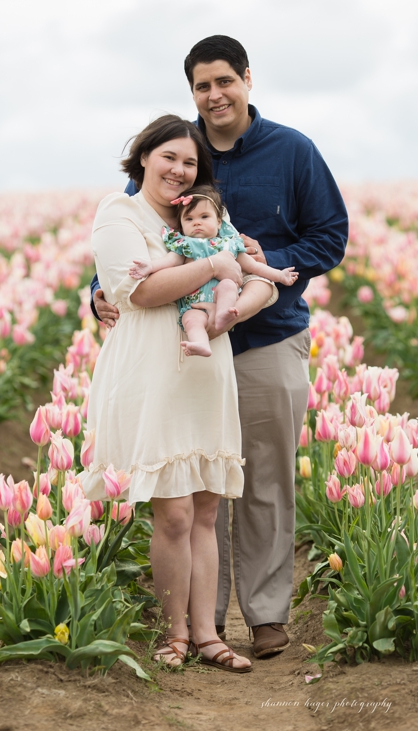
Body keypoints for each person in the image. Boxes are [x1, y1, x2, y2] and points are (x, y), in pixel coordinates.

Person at [91, 35, 348, 658]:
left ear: (247, 79)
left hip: (267, 335)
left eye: (224, 81)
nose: (214, 95)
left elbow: (330, 237)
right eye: (202, 86)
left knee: (261, 479)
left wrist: (263, 265)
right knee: (200, 489)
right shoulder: (186, 155)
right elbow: (138, 251)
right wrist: (96, 290)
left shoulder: (292, 150)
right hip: (182, 352)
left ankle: (264, 616)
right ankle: (208, 626)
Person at [81, 114, 256, 673]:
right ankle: (172, 632)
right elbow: (137, 291)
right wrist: (213, 265)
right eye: (169, 159)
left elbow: (253, 276)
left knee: (206, 509)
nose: (180, 171)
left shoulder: (206, 214)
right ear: (143, 158)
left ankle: (207, 634)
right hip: (149, 372)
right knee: (174, 514)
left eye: (190, 163)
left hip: (205, 366)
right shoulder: (120, 211)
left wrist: (229, 311)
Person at [127, 184, 297, 357]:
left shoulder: (229, 244)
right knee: (191, 320)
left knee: (228, 286)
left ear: (218, 222)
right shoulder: (186, 245)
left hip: (221, 298)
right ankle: (201, 343)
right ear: (181, 225)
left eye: (204, 216)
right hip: (194, 303)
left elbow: (255, 266)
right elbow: (168, 261)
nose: (197, 222)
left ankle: (224, 313)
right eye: (189, 219)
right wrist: (149, 266)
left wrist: (280, 275)